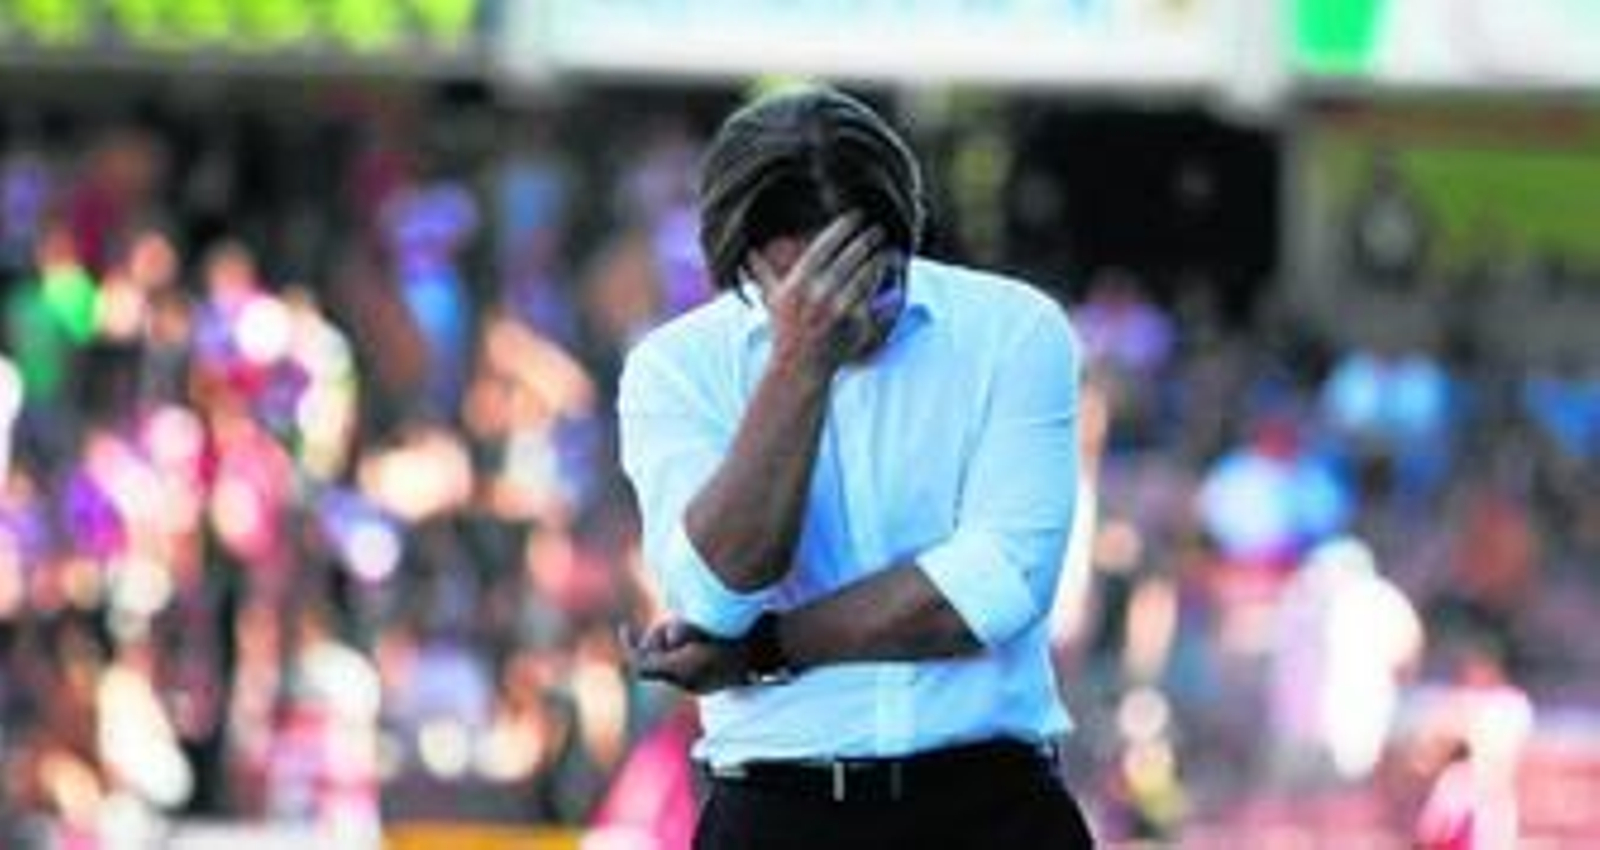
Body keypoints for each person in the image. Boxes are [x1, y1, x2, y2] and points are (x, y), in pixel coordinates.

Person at [616, 86, 1093, 849]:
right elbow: (716, 596)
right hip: (778, 811)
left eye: (870, 275)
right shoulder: (676, 368)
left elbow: (994, 591)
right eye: (805, 284)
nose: (843, 309)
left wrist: (768, 650)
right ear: (746, 269)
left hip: (991, 806)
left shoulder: (1013, 330)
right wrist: (799, 364)